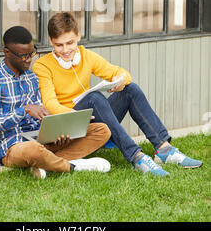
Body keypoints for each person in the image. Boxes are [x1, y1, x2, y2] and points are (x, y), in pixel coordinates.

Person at [33, 12, 203, 177]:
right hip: (68, 124)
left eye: (69, 43)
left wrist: (121, 80)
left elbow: (119, 72)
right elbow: (49, 103)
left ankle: (164, 149)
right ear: (51, 41)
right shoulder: (42, 66)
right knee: (94, 98)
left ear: (78, 36)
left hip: (90, 120)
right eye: (58, 45)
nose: (65, 50)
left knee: (131, 89)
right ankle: (137, 157)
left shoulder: (86, 56)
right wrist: (75, 115)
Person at [0, 26, 111, 180]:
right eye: (23, 56)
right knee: (33, 150)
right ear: (7, 52)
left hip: (40, 139)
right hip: (13, 146)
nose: (29, 60)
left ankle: (44, 164)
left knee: (101, 130)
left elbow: (41, 114)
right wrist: (24, 110)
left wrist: (56, 132)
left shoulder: (32, 77)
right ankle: (73, 166)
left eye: (31, 53)